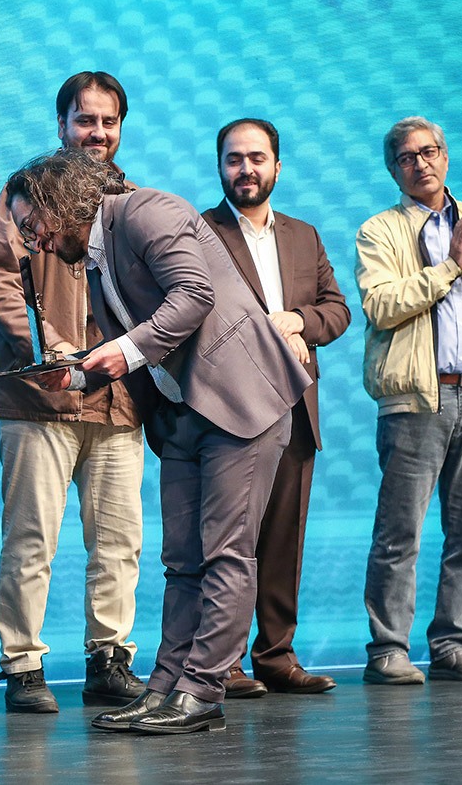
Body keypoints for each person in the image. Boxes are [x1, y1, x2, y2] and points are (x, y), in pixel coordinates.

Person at [8, 150, 311, 736]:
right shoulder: (96, 259)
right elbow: (135, 344)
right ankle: (167, 686)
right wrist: (76, 376)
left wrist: (121, 352)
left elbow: (193, 295)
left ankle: (203, 691)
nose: (32, 241)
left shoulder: (146, 211)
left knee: (225, 553)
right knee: (182, 562)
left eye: (32, 225)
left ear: (59, 203)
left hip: (241, 402)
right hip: (182, 412)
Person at [0, 72, 145, 713]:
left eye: (108, 121)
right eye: (85, 120)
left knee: (119, 541)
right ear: (61, 125)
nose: (97, 133)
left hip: (117, 399)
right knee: (31, 539)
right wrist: (46, 347)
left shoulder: (133, 202)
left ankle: (110, 660)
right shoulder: (23, 193)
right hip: (38, 396)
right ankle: (23, 666)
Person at [355, 116, 462, 685]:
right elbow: (381, 305)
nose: (421, 163)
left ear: (445, 157)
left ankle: (452, 644)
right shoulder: (379, 230)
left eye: (429, 152)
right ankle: (388, 650)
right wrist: (452, 265)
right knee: (399, 533)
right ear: (394, 170)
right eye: (407, 157)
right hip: (415, 402)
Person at [201, 119, 350, 697]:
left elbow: (336, 310)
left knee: (284, 538)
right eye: (234, 159)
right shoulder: (201, 232)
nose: (246, 169)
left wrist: (298, 321)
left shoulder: (303, 235)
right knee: (230, 543)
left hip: (296, 405)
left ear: (277, 167)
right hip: (231, 409)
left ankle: (276, 656)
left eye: (257, 158)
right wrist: (265, 331)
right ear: (220, 167)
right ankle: (224, 663)